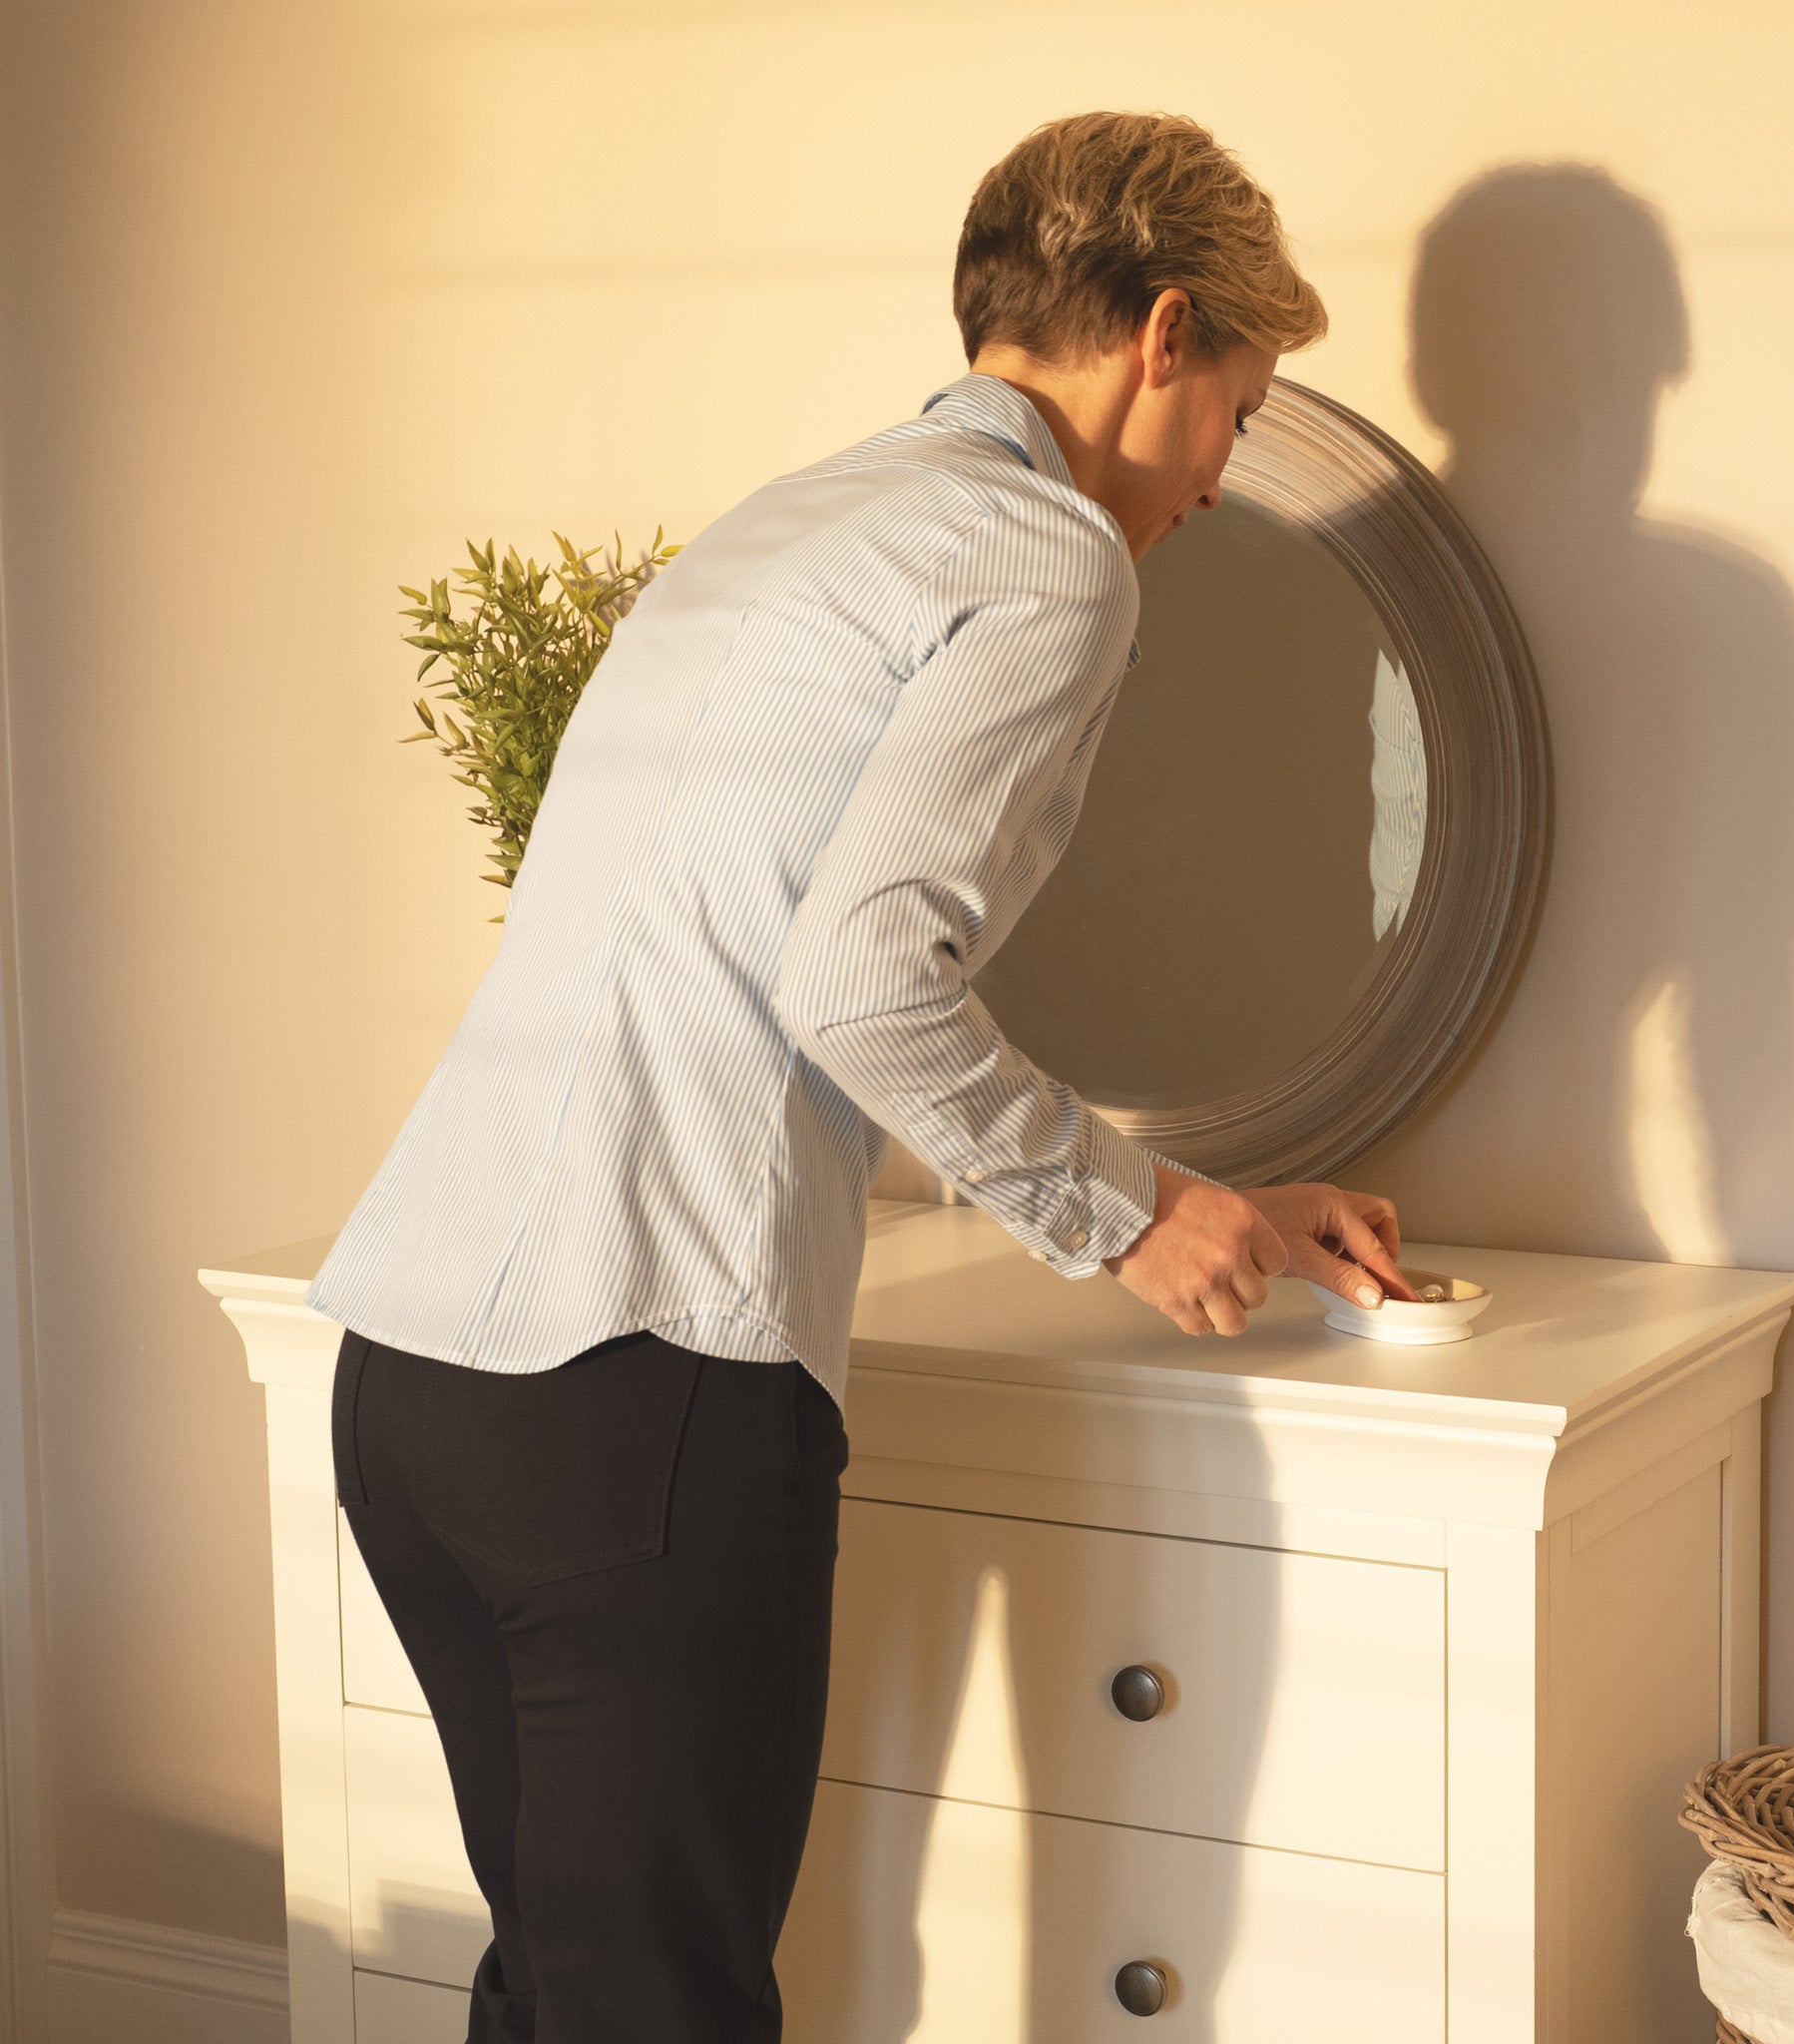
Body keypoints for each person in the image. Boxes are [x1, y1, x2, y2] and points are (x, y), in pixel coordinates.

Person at [308, 109, 1417, 2043]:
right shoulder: (1053, 555)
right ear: (1159, 339)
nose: (1224, 479)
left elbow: (749, 937)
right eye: (1238, 409)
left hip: (414, 1383)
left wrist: (1194, 1180)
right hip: (632, 1389)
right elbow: (856, 983)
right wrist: (1134, 1214)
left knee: (563, 1988)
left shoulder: (785, 522)